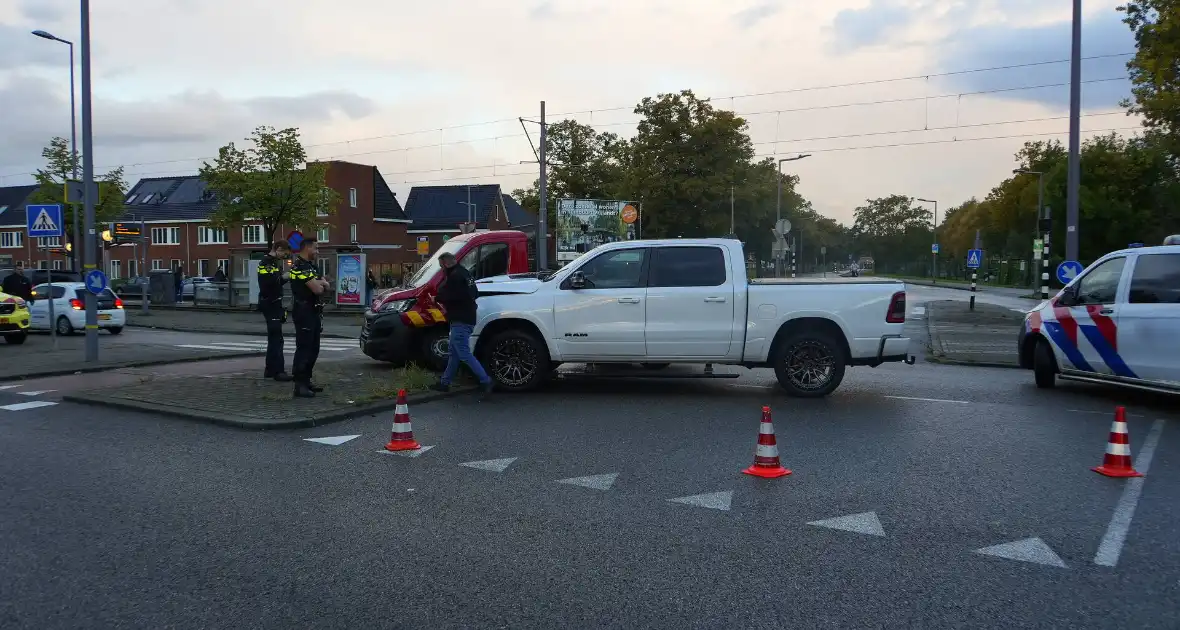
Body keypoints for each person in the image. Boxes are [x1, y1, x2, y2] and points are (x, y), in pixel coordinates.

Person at [431, 252, 493, 397]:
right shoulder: (466, 273)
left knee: (463, 353)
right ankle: (444, 383)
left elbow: (450, 296)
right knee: (454, 353)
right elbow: (474, 294)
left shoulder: (454, 277)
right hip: (468, 317)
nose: (441, 270)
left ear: (445, 264)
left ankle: (486, 380)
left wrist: (437, 298)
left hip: (460, 319)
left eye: (441, 266)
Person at [288, 238, 330, 398]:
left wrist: (321, 283)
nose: (318, 252)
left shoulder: (312, 267)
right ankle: (299, 385)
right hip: (303, 311)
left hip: (314, 311)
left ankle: (307, 380)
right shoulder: (299, 266)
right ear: (307, 248)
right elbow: (319, 289)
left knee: (314, 348)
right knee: (304, 348)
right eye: (316, 249)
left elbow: (325, 286)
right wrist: (321, 283)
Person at [257, 240, 292, 382]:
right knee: (277, 338)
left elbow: (276, 281)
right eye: (284, 253)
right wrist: (287, 275)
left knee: (274, 338)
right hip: (270, 303)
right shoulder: (266, 263)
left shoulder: (271, 262)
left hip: (272, 303)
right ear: (278, 249)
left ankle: (270, 370)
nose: (284, 257)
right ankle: (278, 371)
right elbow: (271, 281)